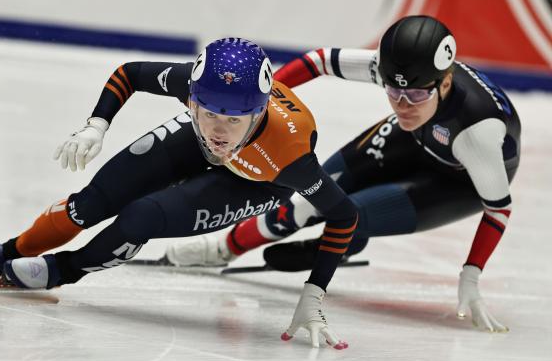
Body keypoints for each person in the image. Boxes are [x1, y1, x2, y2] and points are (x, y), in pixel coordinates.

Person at [0, 38, 357, 349]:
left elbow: (344, 215)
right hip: (193, 142)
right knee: (91, 202)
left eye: (233, 120)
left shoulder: (290, 157)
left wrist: (313, 293)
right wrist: (96, 125)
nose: (218, 131)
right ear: (192, 100)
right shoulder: (192, 89)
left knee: (141, 217)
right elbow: (130, 72)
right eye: (208, 113)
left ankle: (62, 270)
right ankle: (10, 250)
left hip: (256, 180)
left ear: (259, 112)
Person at [165, 17, 520, 333]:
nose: (402, 104)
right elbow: (318, 61)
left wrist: (470, 276)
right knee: (312, 196)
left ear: (444, 84)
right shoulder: (399, 75)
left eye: (414, 94)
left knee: (353, 213)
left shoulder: (478, 133)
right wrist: (263, 101)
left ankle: (340, 243)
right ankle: (226, 247)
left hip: (459, 181)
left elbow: (499, 209)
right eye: (393, 92)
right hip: (413, 138)